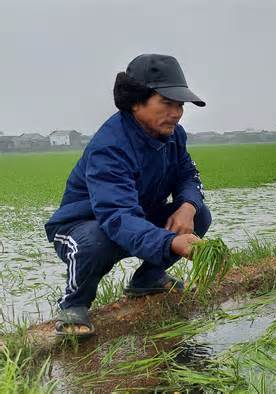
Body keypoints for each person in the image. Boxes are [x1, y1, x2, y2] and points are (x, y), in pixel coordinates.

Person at [44, 54, 212, 337]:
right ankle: (73, 304)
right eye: (167, 103)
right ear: (136, 101)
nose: (176, 112)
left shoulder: (174, 135)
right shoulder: (110, 146)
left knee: (199, 214)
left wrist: (188, 205)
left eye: (180, 105)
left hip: (135, 215)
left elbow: (187, 176)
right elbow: (117, 216)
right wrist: (172, 243)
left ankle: (148, 280)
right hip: (84, 226)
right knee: (95, 240)